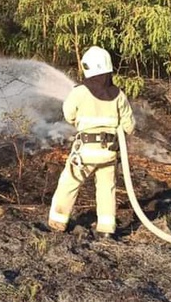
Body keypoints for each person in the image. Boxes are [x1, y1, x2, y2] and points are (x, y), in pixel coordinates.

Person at [47, 46, 136, 239]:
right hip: (109, 151)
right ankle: (106, 228)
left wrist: (80, 121)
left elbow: (69, 113)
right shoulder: (118, 94)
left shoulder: (80, 92)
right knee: (107, 187)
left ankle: (58, 221)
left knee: (69, 182)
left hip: (86, 151)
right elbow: (129, 125)